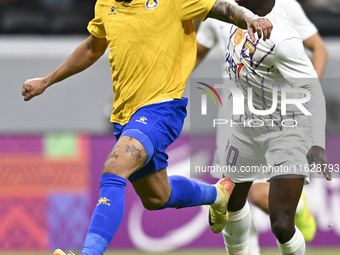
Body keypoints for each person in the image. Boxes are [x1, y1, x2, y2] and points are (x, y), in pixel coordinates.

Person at [21, 0, 273, 254]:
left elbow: (224, 9)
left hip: (162, 109)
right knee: (157, 197)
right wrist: (46, 80)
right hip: (125, 116)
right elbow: (91, 47)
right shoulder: (105, 4)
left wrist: (250, 17)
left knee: (114, 168)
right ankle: (217, 195)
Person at [198, 0, 331, 254]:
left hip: (285, 129)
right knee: (231, 207)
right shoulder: (231, 11)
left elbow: (312, 89)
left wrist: (317, 141)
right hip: (242, 126)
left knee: (281, 224)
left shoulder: (284, 39)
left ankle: (298, 211)